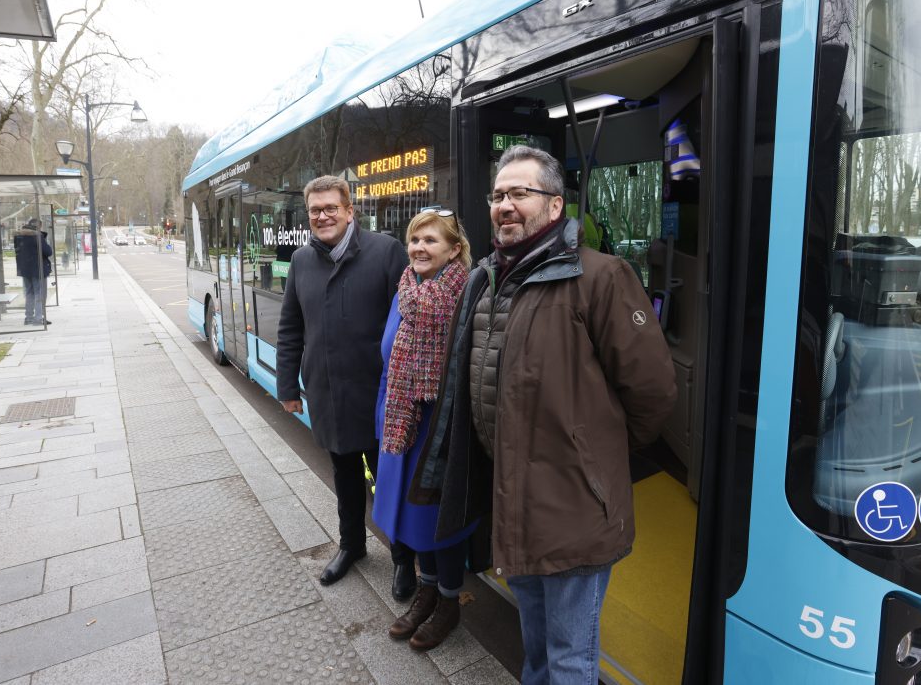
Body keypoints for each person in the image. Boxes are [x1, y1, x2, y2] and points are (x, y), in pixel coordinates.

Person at [411, 145, 677, 684]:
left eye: (520, 193)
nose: (505, 205)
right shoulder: (486, 280)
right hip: (512, 501)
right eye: (498, 195)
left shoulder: (601, 278)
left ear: (555, 207)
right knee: (533, 646)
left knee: (570, 657)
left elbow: (652, 392)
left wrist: (593, 459)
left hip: (574, 508)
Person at [277, 175, 417, 596]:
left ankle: (402, 558)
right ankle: (352, 546)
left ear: (349, 210)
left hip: (378, 397)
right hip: (329, 393)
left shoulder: (385, 251)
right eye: (315, 210)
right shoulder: (302, 261)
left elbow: (410, 319)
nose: (322, 216)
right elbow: (290, 327)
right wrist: (288, 386)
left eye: (330, 208)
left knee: (389, 479)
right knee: (345, 477)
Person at [371, 208, 474, 651]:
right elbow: (387, 358)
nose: (418, 248)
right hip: (402, 422)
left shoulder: (466, 296)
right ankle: (426, 591)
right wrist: (383, 419)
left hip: (443, 426)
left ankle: (448, 602)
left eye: (430, 240)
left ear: (454, 249)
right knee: (413, 521)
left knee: (439, 520)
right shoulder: (405, 291)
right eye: (414, 240)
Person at [14, 217, 52, 325]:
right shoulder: (37, 237)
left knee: (29, 293)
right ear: (38, 227)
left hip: (25, 269)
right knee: (39, 293)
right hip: (37, 268)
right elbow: (48, 251)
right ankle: (38, 318)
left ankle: (29, 317)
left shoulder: (19, 237)